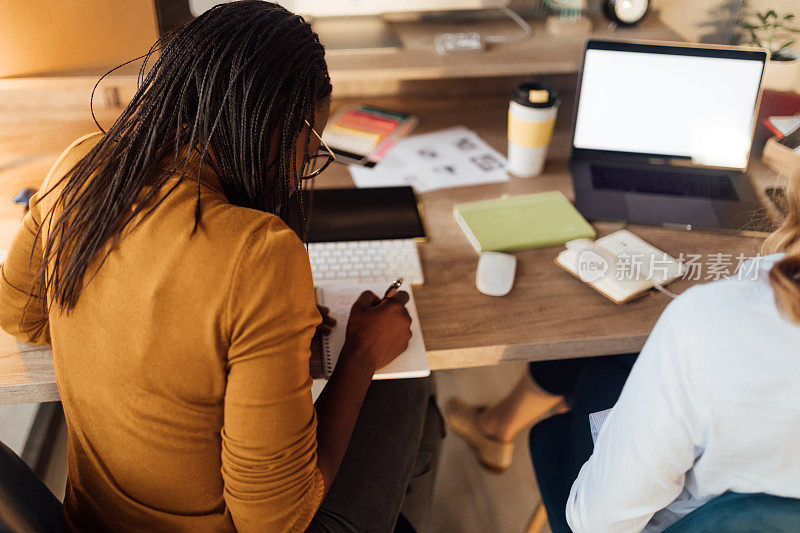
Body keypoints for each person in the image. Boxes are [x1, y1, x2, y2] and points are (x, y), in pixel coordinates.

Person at [0, 2, 442, 531]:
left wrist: (214, 337)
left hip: (90, 522)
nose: (302, 171)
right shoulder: (259, 253)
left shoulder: (79, 165)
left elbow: (21, 317)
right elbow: (275, 520)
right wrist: (361, 355)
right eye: (308, 154)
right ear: (269, 130)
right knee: (409, 379)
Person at [448, 173, 800, 531]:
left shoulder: (714, 319)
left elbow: (595, 522)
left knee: (598, 342)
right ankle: (496, 426)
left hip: (647, 521)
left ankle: (494, 428)